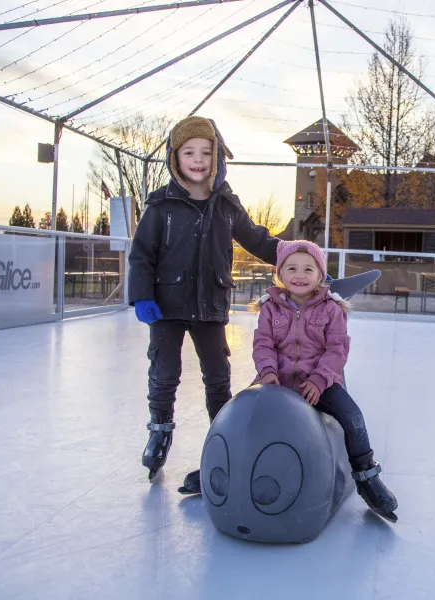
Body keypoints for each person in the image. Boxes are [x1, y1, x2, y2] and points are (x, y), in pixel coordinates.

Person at [127, 116, 280, 491]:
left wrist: (295, 253)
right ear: (174, 157)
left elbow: (258, 240)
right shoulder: (160, 206)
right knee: (164, 374)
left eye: (206, 153)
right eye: (189, 152)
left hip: (210, 304)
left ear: (218, 158)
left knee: (217, 376)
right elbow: (141, 254)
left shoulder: (226, 205)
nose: (198, 159)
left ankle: (222, 438)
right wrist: (142, 295)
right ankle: (159, 430)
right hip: (165, 306)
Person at [249, 240, 398, 522]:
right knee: (242, 412)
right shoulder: (270, 308)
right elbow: (263, 344)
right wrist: (267, 372)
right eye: (291, 268)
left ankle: (367, 477)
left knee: (352, 416)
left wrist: (319, 380)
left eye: (308, 269)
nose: (300, 275)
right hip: (276, 382)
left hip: (319, 382)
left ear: (320, 275)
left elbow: (336, 349)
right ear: (280, 273)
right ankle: (229, 467)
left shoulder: (332, 308)